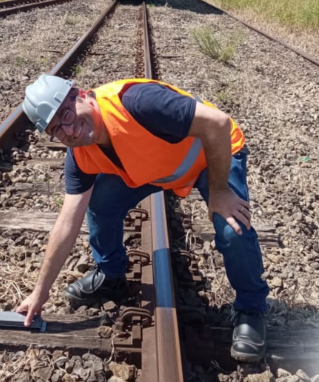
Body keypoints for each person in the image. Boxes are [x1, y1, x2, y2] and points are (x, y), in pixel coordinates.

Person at [15, 75, 268, 363]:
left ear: (81, 94)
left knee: (231, 229)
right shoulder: (80, 155)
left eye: (67, 114)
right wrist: (40, 291)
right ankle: (111, 275)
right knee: (100, 202)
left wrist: (220, 191)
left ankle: (251, 309)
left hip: (213, 154)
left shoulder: (138, 103)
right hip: (158, 167)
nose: (69, 130)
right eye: (56, 129)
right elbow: (66, 223)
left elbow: (218, 124)